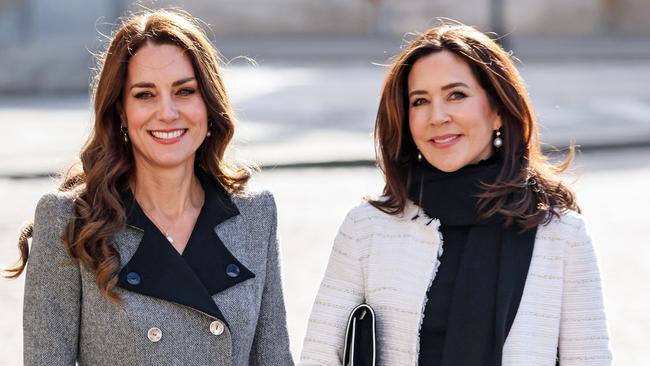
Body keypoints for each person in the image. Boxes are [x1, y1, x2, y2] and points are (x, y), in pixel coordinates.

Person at [300, 23, 612, 365]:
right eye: (420, 101)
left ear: (497, 110)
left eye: (456, 95)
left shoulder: (561, 234)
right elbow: (320, 355)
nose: (437, 116)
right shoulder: (366, 229)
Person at [3, 9, 293, 366]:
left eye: (185, 91)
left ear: (209, 105)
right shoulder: (70, 221)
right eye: (145, 95)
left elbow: (275, 358)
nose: (167, 112)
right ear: (121, 112)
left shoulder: (254, 216)